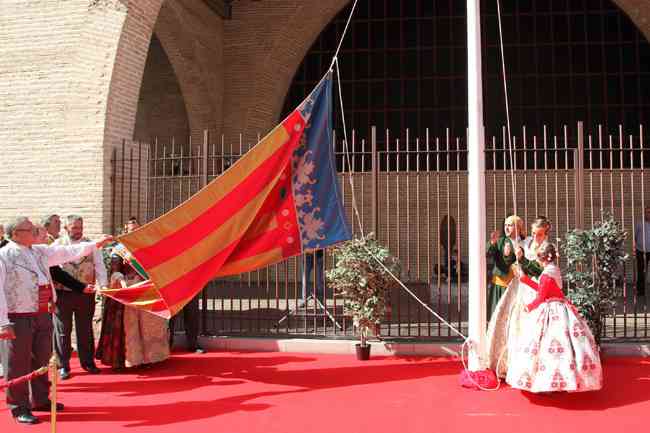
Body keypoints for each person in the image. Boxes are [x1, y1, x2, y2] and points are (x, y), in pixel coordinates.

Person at [0, 216, 112, 424]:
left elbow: (66, 252)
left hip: (43, 312)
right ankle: (19, 407)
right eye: (29, 228)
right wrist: (2, 322)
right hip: (18, 315)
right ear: (15, 234)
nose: (34, 231)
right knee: (17, 363)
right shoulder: (4, 256)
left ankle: (41, 399)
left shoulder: (39, 251)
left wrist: (95, 244)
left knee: (42, 358)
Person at [507, 243, 603, 393]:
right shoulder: (554, 270)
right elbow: (545, 289)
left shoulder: (546, 274)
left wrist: (528, 307)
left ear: (543, 258)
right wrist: (524, 279)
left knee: (547, 346)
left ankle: (548, 383)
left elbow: (541, 296)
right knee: (566, 346)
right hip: (561, 307)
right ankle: (565, 380)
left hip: (551, 310)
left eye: (538, 257)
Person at [52, 215, 108, 380]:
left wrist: (103, 285)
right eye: (74, 228)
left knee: (85, 329)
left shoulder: (91, 245)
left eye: (80, 227)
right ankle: (63, 365)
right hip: (63, 294)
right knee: (63, 330)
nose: (78, 231)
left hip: (86, 293)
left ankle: (88, 362)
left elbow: (99, 266)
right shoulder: (56, 245)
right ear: (66, 228)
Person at [112, 217, 171, 366]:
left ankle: (152, 357)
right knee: (131, 327)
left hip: (147, 289)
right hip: (129, 291)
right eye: (132, 230)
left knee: (150, 325)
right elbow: (114, 271)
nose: (134, 232)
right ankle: (133, 359)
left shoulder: (146, 246)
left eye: (137, 229)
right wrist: (122, 280)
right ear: (125, 231)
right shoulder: (119, 249)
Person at [485, 215, 526, 378]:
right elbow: (491, 254)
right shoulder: (502, 241)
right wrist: (493, 243)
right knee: (497, 321)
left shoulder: (524, 242)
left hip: (518, 287)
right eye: (506, 225)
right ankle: (494, 359)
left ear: (519, 227)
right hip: (500, 286)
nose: (508, 228)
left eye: (511, 225)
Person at [634, 206, 650, 297]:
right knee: (641, 271)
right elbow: (636, 237)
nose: (648, 214)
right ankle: (640, 291)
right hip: (641, 251)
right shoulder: (640, 224)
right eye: (647, 212)